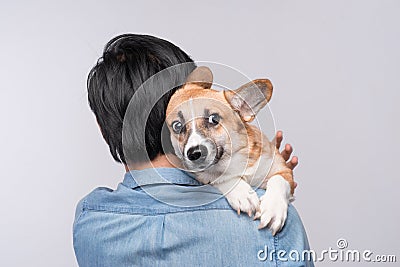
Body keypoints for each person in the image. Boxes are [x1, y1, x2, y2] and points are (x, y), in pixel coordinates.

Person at [73, 34, 314, 266]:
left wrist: (251, 170)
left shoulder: (90, 220)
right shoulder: (272, 219)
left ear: (103, 129)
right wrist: (271, 186)